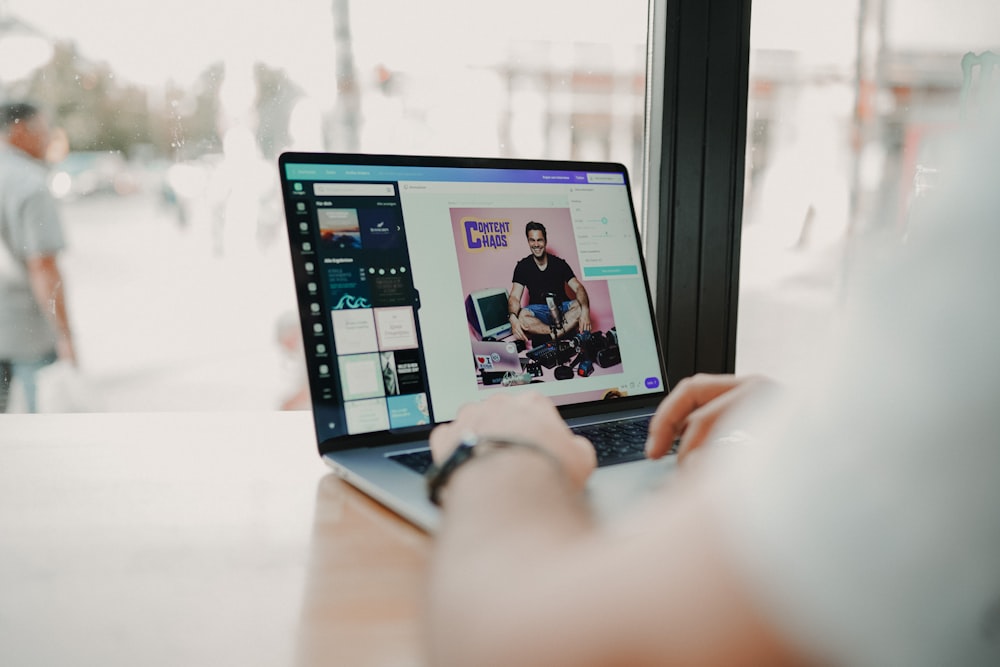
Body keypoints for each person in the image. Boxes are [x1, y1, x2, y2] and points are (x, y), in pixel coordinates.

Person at [423, 128, 1000, 666]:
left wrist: (499, 453)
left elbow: (521, 649)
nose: (538, 241)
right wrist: (817, 429)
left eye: (542, 233)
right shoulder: (524, 267)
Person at [0, 102, 76, 412]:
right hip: (25, 330)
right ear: (19, 130)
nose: (48, 140)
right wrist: (65, 336)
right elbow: (43, 266)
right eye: (43, 131)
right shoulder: (28, 183)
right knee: (41, 430)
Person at [507, 221, 591, 341]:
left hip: (562, 310)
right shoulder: (522, 266)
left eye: (539, 240)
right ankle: (558, 333)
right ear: (528, 241)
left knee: (580, 306)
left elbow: (578, 288)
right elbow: (514, 297)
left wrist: (586, 311)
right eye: (532, 240)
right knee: (522, 316)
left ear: (545, 241)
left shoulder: (560, 264)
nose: (536, 244)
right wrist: (512, 318)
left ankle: (552, 336)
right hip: (539, 313)